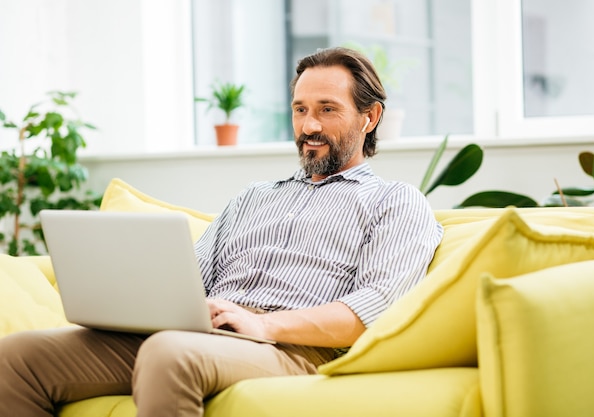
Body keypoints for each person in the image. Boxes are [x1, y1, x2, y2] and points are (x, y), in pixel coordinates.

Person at [0, 47, 443, 417]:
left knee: (168, 353)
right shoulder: (254, 196)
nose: (309, 126)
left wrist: (264, 324)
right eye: (301, 110)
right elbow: (188, 279)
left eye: (328, 110)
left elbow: (373, 311)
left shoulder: (397, 201)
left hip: (293, 349)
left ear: (370, 117)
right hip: (202, 334)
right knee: (16, 357)